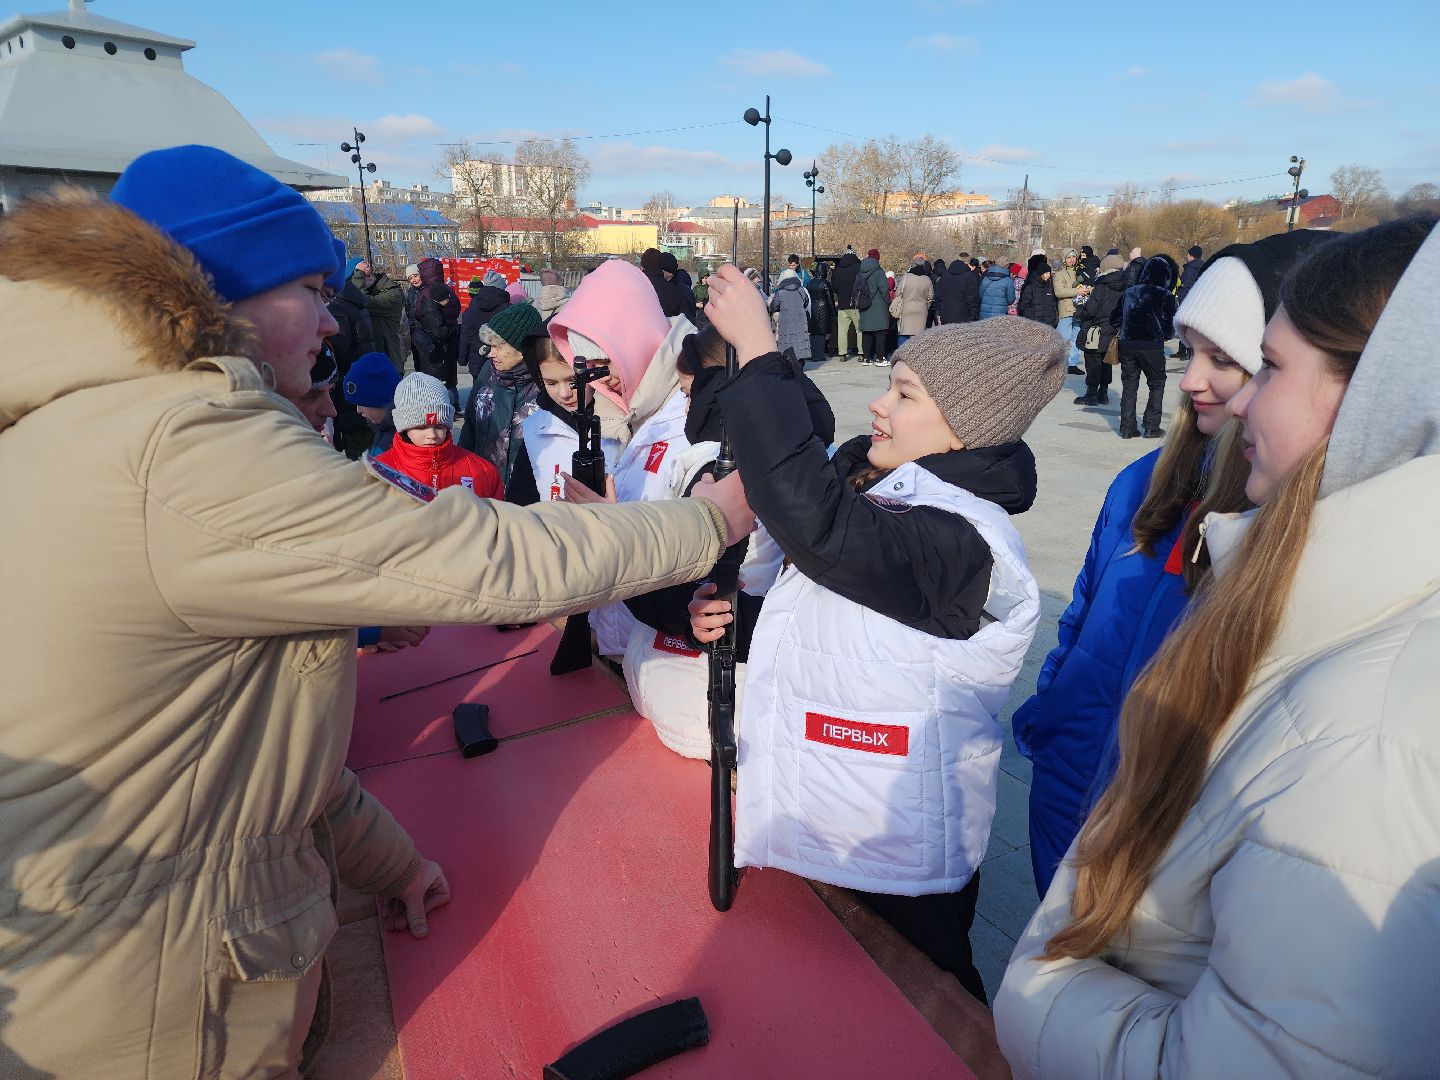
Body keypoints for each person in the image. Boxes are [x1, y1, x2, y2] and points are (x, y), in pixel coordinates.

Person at [0, 144, 753, 1079]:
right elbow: (472, 555)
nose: (331, 318)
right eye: (311, 289)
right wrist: (705, 523)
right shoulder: (179, 444)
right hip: (148, 995)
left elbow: (236, 746)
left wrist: (385, 862)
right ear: (215, 295)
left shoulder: (96, 425)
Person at [996, 214, 1440, 1080]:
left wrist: (1036, 988)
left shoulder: (1370, 728)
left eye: (1261, 365)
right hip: (1081, 791)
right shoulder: (1163, 495)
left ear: (1377, 400)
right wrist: (1051, 707)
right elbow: (1087, 611)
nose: (1225, 394)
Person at [697, 268, 1066, 1003]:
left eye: (906, 394)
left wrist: (763, 356)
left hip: (900, 855)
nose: (878, 404)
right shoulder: (889, 490)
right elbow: (846, 624)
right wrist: (739, 621)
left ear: (963, 429)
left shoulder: (965, 540)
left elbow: (822, 528)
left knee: (931, 1012)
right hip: (834, 817)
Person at [1013, 229, 1337, 896]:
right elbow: (1081, 611)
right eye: (1189, 351)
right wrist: (1051, 703)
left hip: (1162, 833)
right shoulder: (1143, 480)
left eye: (1225, 359)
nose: (1190, 381)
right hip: (1069, 775)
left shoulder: (1293, 523)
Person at [549, 258, 699, 657]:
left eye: (605, 360)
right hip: (627, 647)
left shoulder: (689, 413)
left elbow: (699, 540)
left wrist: (616, 527)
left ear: (632, 341)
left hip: (669, 650)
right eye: (590, 366)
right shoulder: (626, 412)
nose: (601, 376)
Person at [374, 372, 504, 497]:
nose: (432, 434)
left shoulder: (483, 472)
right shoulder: (379, 473)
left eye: (439, 426)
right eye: (421, 427)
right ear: (403, 427)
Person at [458, 300, 544, 488]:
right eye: (491, 345)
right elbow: (469, 428)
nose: (491, 353)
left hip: (527, 493)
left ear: (521, 349)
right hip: (484, 484)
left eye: (499, 346)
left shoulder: (545, 382)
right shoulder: (488, 372)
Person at [1110, 254, 1178, 438]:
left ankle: (1127, 428)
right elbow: (1170, 327)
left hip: (1127, 344)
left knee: (1129, 385)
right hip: (1151, 345)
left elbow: (1114, 319)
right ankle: (1151, 426)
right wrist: (1163, 336)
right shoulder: (1165, 295)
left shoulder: (1129, 292)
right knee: (1157, 383)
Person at [1072, 252, 1126, 405]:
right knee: (1107, 360)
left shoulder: (1101, 285)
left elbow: (1091, 309)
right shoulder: (1125, 285)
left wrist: (1080, 312)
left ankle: (1091, 394)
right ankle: (1103, 394)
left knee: (1093, 361)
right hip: (1114, 330)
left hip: (1096, 330)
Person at [342, 350, 403, 455]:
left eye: (362, 403)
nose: (358, 410)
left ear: (379, 399)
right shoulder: (384, 430)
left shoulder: (399, 442)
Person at [353, 258, 406, 372]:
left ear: (368, 277)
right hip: (377, 361)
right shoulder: (373, 291)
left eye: (358, 279)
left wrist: (358, 277)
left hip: (389, 364)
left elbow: (360, 300)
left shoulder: (392, 294)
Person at [458, 270, 511, 380]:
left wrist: (462, 359)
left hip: (477, 362)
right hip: (502, 362)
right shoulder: (509, 310)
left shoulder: (471, 309)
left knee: (478, 389)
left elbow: (466, 336)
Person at [769, 266, 812, 362]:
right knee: (800, 339)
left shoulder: (780, 293)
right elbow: (806, 302)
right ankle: (800, 360)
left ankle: (789, 360)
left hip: (786, 320)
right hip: (800, 319)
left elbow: (773, 306)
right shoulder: (801, 290)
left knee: (787, 340)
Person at [1051, 249, 1084, 373]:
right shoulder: (1060, 274)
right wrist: (1077, 291)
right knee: (1062, 338)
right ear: (1064, 259)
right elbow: (1059, 292)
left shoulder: (1080, 272)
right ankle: (1054, 363)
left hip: (1080, 310)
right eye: (1069, 257)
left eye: (1073, 257)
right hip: (1066, 310)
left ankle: (1072, 364)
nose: (1071, 259)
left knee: (1077, 338)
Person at [857, 248, 890, 365]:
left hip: (864, 305)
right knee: (880, 333)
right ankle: (880, 358)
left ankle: (866, 358)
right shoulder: (879, 272)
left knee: (866, 333)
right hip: (879, 306)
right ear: (877, 258)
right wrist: (888, 302)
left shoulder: (860, 272)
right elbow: (884, 289)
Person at [894, 257, 934, 348]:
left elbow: (898, 294)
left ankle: (901, 353)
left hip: (906, 310)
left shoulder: (905, 278)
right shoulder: (927, 279)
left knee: (903, 333)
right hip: (921, 311)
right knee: (918, 337)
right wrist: (925, 306)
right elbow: (930, 297)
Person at [832, 249, 863, 360]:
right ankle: (861, 353)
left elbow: (834, 287)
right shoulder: (859, 268)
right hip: (856, 304)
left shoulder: (838, 270)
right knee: (859, 330)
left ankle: (842, 353)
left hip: (842, 303)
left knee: (842, 331)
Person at [934, 253, 980, 325]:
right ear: (968, 262)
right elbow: (972, 299)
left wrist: (939, 311)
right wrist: (973, 316)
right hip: (963, 316)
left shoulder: (945, 275)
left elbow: (938, 296)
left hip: (945, 314)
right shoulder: (971, 277)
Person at [1016, 254, 1058, 327]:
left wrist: (1054, 319)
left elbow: (1052, 304)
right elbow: (1024, 305)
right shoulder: (1030, 286)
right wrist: (1032, 318)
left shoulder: (1050, 287)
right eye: (1046, 273)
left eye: (1049, 273)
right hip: (1035, 322)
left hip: (1049, 323)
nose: (1049, 275)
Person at [804, 262, 835, 361]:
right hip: (823, 310)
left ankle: (811, 354)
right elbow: (830, 300)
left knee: (812, 332)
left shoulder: (809, 283)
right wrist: (833, 312)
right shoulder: (825, 283)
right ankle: (818, 355)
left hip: (812, 309)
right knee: (821, 333)